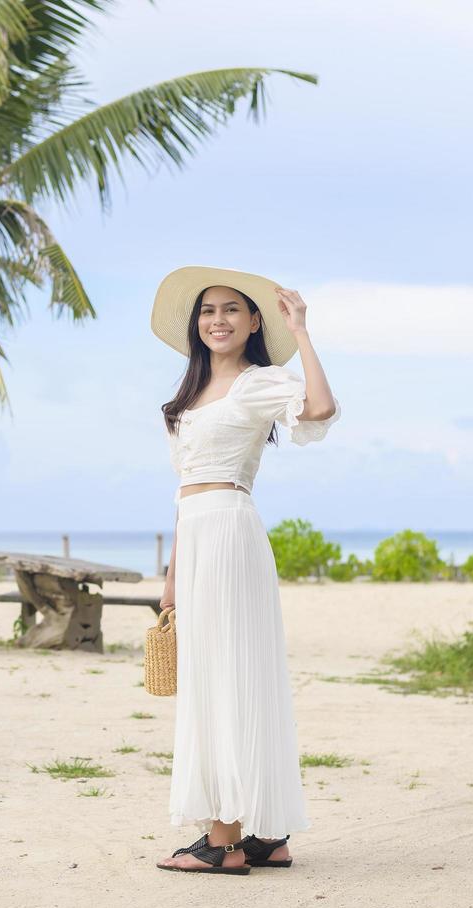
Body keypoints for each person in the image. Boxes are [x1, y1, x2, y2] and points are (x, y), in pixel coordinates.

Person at [149, 265, 341, 874]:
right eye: (208, 311)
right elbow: (183, 494)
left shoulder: (260, 382)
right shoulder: (184, 400)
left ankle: (224, 840)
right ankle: (264, 836)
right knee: (221, 672)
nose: (218, 320)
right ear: (195, 324)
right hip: (197, 531)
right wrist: (173, 580)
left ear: (254, 321)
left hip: (231, 527)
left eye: (232, 310)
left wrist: (302, 332)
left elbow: (320, 408)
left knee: (231, 675)